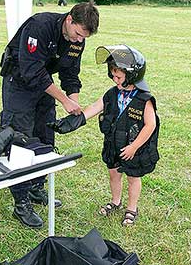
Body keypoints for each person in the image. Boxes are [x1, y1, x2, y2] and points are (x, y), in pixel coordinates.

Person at [0, 1, 99, 228]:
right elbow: (31, 71)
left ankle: (36, 187)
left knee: (45, 135)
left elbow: (71, 72)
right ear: (69, 20)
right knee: (20, 138)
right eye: (77, 34)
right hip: (20, 81)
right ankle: (21, 202)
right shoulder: (40, 26)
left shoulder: (77, 41)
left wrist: (73, 98)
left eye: (84, 37)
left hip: (45, 84)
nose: (79, 40)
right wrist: (63, 100)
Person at [48, 44, 160, 226]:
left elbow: (150, 125)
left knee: (133, 178)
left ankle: (132, 208)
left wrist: (134, 147)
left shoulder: (144, 99)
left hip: (133, 147)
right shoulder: (112, 94)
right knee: (114, 174)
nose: (114, 79)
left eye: (118, 76)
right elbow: (94, 107)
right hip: (113, 144)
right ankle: (116, 202)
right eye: (113, 75)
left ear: (132, 75)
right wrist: (74, 121)